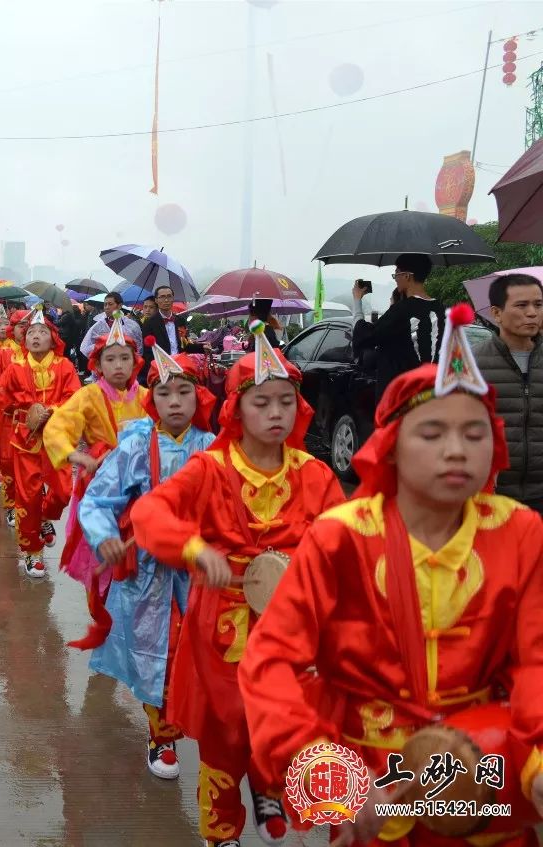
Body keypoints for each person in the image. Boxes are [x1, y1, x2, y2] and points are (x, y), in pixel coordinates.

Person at [239, 304, 543, 846]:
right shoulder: (342, 535)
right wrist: (327, 775)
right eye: (432, 433)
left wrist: (537, 758)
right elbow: (271, 661)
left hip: (483, 754)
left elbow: (536, 658)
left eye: (474, 433)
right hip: (367, 763)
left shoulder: (519, 530)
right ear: (392, 447)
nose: (456, 450)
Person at [130, 322, 345, 847]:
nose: (276, 414)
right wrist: (194, 547)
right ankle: (221, 832)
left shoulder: (315, 475)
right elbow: (151, 511)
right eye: (262, 403)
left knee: (294, 722)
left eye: (286, 402)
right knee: (226, 732)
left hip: (293, 626)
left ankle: (275, 789)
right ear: (236, 410)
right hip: (223, 626)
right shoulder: (209, 469)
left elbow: (348, 541)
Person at [77, 346, 216, 780]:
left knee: (200, 652)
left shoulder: (214, 449)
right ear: (151, 399)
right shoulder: (137, 443)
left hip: (199, 570)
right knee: (156, 653)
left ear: (200, 397)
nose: (175, 402)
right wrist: (104, 539)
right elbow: (98, 499)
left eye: (184, 392)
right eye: (164, 393)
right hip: (148, 569)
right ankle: (162, 735)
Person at [0, 309, 81, 577]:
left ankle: (46, 517)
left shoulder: (64, 367)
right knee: (28, 497)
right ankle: (32, 553)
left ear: (53, 339)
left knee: (62, 491)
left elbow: (75, 398)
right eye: (31, 332)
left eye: (42, 332)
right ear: (25, 339)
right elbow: (0, 394)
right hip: (25, 441)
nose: (36, 336)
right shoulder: (17, 368)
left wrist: (52, 411)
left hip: (57, 440)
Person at [43, 324, 148, 586]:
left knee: (138, 549)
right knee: (101, 547)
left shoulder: (148, 397)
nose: (118, 365)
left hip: (140, 483)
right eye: (110, 359)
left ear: (135, 362)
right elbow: (59, 425)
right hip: (101, 481)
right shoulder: (88, 395)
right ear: (98, 365)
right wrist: (74, 455)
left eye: (125, 358)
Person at [473, 272, 543, 513]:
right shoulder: (472, 362)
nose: (532, 313)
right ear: (496, 313)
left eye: (538, 304)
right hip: (493, 495)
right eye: (521, 305)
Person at [352, 253, 444, 401]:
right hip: (435, 394)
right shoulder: (442, 310)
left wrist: (357, 300)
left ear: (407, 276)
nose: (395, 279)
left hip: (402, 398)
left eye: (396, 274)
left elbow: (365, 336)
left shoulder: (402, 310)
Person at [141, 285, 204, 382]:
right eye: (162, 297)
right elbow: (148, 352)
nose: (166, 300)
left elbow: (185, 345)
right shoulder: (149, 323)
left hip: (180, 366)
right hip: (160, 369)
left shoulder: (180, 320)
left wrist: (203, 348)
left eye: (169, 296)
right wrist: (156, 370)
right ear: (156, 300)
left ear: (173, 299)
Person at [80, 292, 143, 358]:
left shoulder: (131, 325)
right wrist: (102, 345)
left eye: (110, 304)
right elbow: (86, 347)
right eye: (105, 304)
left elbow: (138, 348)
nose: (107, 307)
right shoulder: (99, 325)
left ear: (119, 305)